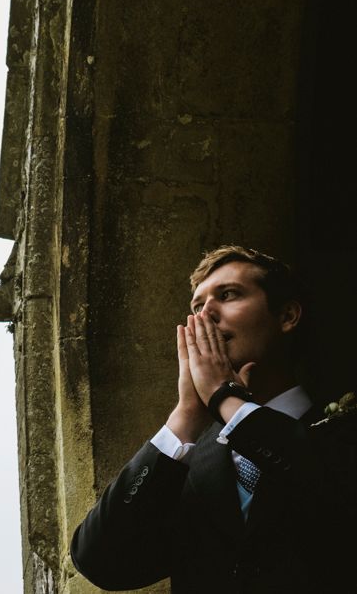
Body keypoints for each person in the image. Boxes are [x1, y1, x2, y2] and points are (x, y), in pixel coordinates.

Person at [69, 245, 357, 593]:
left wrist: (223, 395)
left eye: (229, 294)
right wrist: (187, 415)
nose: (206, 315)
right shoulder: (189, 464)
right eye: (196, 307)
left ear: (287, 316)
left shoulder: (341, 429)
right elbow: (99, 559)